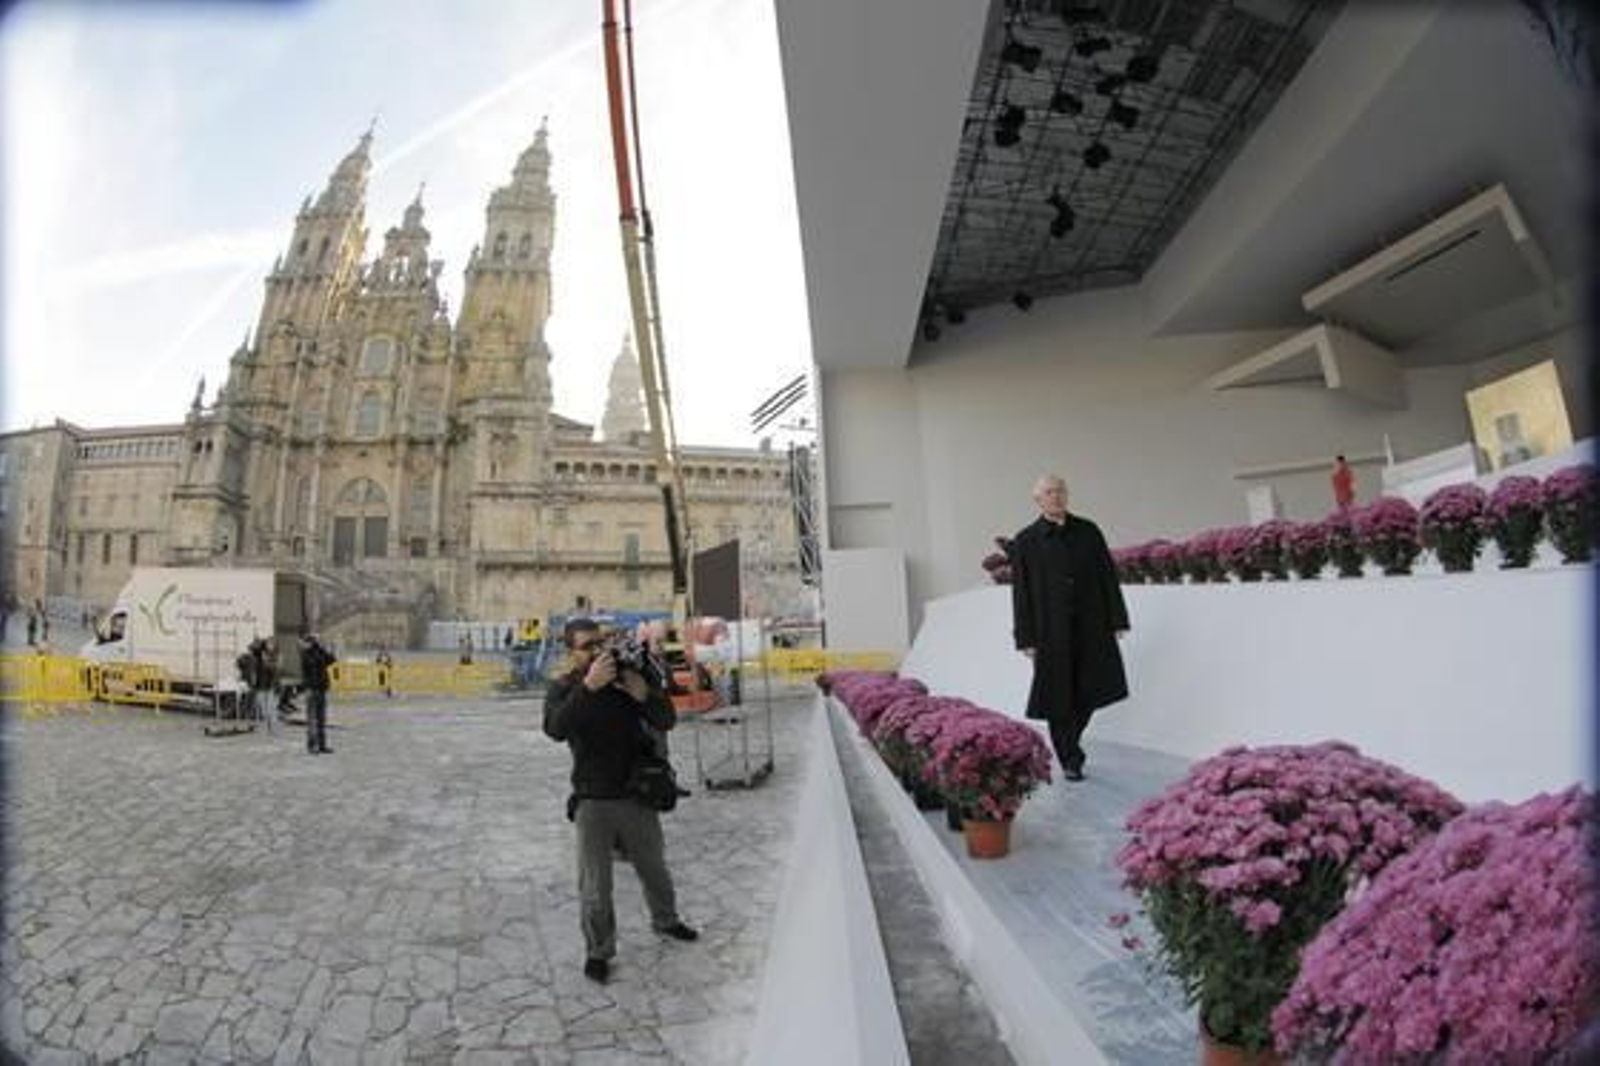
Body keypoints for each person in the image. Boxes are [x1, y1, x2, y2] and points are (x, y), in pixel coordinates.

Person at [543, 618, 698, 985]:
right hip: (592, 801)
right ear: (571, 652)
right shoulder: (565, 687)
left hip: (636, 795)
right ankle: (599, 951)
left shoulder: (626, 678)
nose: (597, 650)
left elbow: (666, 719)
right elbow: (555, 728)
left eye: (600, 642)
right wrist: (588, 687)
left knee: (655, 870)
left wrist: (642, 693)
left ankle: (666, 921)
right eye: (587, 646)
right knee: (595, 888)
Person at [1010, 474, 1130, 781]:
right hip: (1050, 632)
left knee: (1092, 688)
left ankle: (1069, 743)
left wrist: (1117, 619)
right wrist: (1026, 638)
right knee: (1058, 695)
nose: (1056, 496)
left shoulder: (1089, 531)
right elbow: (1021, 594)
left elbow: (1107, 577)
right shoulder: (1026, 541)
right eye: (1049, 492)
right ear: (1038, 500)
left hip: (1092, 625)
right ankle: (1070, 759)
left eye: (1060, 491)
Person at [300, 632, 337, 754]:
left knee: (321, 719)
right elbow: (312, 663)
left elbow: (332, 660)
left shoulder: (320, 652)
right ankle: (312, 745)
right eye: (316, 640)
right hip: (311, 689)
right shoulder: (306, 653)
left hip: (321, 689)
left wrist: (324, 648)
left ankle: (322, 745)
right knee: (312, 719)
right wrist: (317, 648)